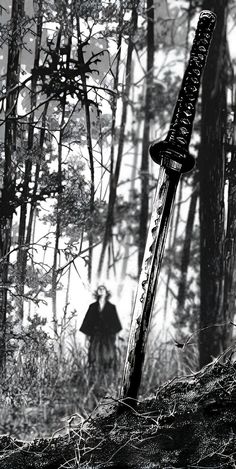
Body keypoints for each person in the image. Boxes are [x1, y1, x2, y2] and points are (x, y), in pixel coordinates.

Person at [80, 285, 122, 375]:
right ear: (97, 292)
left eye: (103, 289)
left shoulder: (111, 307)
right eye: (100, 289)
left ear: (107, 292)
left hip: (108, 337)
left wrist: (117, 339)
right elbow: (87, 322)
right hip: (96, 336)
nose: (101, 290)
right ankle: (95, 376)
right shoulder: (92, 307)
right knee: (94, 356)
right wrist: (86, 339)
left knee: (108, 357)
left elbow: (115, 323)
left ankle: (107, 377)